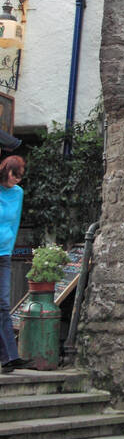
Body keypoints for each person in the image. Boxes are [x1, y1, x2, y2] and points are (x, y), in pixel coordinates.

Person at [0, 154, 30, 373]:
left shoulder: (18, 193)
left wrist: (9, 248)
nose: (16, 181)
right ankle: (7, 355)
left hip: (4, 256)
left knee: (3, 304)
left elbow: (15, 222)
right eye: (14, 176)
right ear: (5, 171)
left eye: (19, 178)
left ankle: (10, 356)